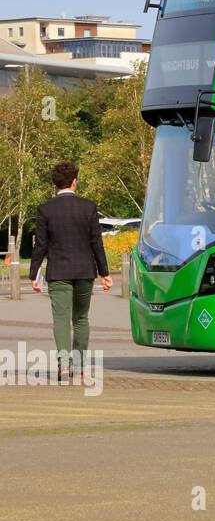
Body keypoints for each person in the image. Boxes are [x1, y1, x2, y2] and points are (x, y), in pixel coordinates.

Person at [28, 161, 112, 381]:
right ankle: (81, 365)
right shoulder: (88, 207)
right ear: (75, 181)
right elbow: (96, 243)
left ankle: (64, 366)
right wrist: (105, 273)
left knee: (62, 320)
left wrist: (34, 274)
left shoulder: (46, 209)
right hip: (85, 271)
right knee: (81, 318)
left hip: (58, 273)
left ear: (56, 184)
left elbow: (41, 245)